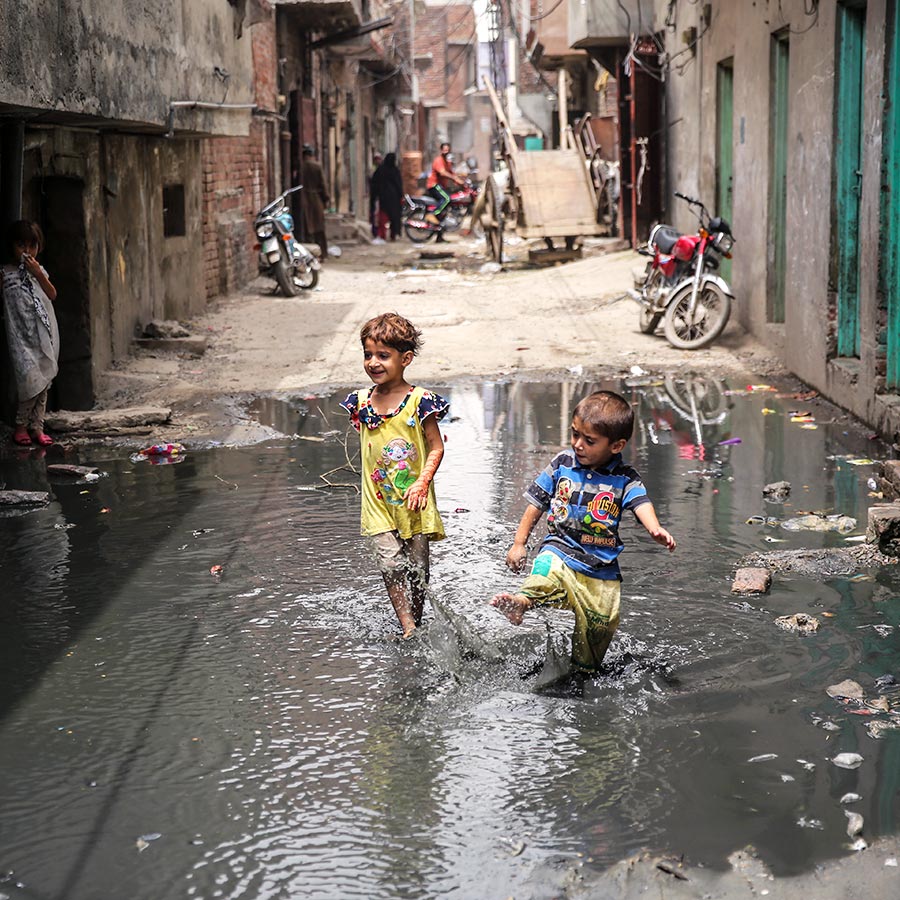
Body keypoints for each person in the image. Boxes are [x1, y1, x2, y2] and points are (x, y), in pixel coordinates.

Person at [490, 390, 676, 673]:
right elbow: (536, 503)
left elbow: (641, 502)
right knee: (545, 571)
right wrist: (519, 543)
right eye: (574, 434)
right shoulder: (562, 464)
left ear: (617, 445)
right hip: (559, 547)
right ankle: (522, 602)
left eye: (589, 441)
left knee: (601, 625)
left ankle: (581, 672)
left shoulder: (624, 478)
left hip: (600, 566)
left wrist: (655, 528)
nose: (577, 444)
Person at [341, 313, 449, 637]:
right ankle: (407, 627)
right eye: (368, 355)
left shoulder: (419, 401)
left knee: (418, 569)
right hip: (378, 503)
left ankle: (416, 617)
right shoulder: (361, 403)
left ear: (406, 359)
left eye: (383, 356)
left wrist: (422, 481)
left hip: (414, 502)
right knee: (389, 565)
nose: (373, 362)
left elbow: (436, 447)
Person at [1, 220, 60, 446]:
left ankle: (37, 426)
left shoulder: (39, 272)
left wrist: (38, 273)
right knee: (30, 381)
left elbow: (52, 295)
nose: (27, 251)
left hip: (42, 335)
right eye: (21, 245)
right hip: (20, 338)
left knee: (44, 380)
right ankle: (20, 425)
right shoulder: (6, 274)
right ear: (11, 247)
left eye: (32, 245)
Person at [425, 141, 465, 241]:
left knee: (444, 210)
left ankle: (439, 236)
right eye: (444, 149)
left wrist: (460, 181)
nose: (446, 151)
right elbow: (443, 173)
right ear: (441, 150)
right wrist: (454, 179)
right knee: (447, 198)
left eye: (447, 150)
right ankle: (432, 214)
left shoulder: (447, 162)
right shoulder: (438, 161)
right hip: (434, 185)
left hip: (441, 186)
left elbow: (452, 173)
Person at [301, 145, 329, 258]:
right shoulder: (317, 167)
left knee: (308, 228)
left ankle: (310, 255)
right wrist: (326, 198)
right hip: (316, 199)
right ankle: (323, 253)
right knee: (319, 228)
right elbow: (323, 184)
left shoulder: (301, 167)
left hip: (304, 199)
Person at [370, 153, 403, 241]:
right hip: (394, 199)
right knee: (394, 218)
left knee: (383, 218)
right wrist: (401, 196)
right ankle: (393, 235)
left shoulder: (381, 170)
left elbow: (374, 184)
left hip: (384, 198)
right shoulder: (395, 171)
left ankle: (382, 235)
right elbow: (399, 185)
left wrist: (374, 196)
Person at [369, 151, 383, 239]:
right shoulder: (373, 169)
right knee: (374, 214)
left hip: (379, 196)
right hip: (374, 196)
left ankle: (378, 231)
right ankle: (375, 231)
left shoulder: (381, 169)